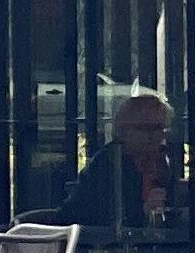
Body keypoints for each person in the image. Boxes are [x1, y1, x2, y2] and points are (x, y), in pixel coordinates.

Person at [65, 94, 180, 232]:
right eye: (143, 128)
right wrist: (142, 211)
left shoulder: (163, 160)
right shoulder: (108, 163)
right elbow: (101, 216)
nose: (152, 135)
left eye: (159, 127)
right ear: (124, 130)